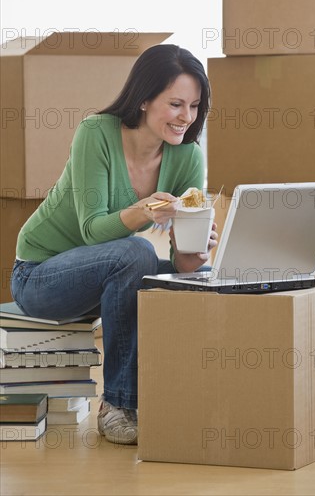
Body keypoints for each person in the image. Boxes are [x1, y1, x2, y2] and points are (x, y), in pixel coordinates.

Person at [10, 44, 218, 445]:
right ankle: (119, 404)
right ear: (143, 99)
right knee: (137, 252)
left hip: (105, 280)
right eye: (175, 104)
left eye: (194, 106)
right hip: (39, 276)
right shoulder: (97, 133)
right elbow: (92, 229)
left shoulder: (188, 155)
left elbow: (183, 264)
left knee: (205, 279)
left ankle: (191, 397)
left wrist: (194, 251)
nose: (186, 117)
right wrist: (147, 210)